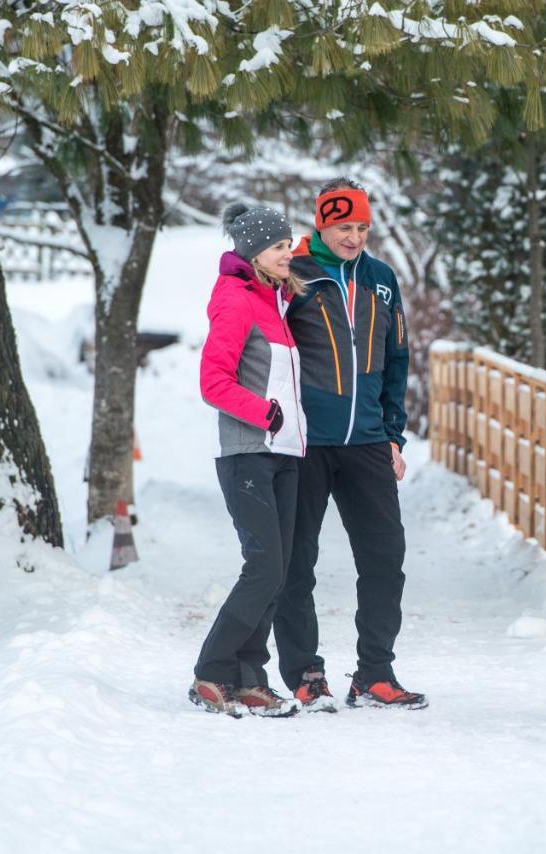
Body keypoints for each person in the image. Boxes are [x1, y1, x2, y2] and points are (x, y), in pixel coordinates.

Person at [273, 178, 425, 711]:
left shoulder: (382, 279)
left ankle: (375, 673)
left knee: (386, 557)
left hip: (366, 442)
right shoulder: (293, 272)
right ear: (322, 224)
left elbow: (396, 361)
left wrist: (392, 435)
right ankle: (304, 673)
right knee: (296, 561)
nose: (354, 237)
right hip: (305, 443)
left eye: (361, 227)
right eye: (343, 228)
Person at [190, 203, 307, 718]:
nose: (290, 252)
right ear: (256, 252)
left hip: (281, 454)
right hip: (248, 454)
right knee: (263, 568)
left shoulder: (273, 301)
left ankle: (250, 677)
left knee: (276, 573)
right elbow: (213, 382)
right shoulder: (235, 301)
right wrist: (267, 415)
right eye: (281, 246)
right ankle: (212, 672)